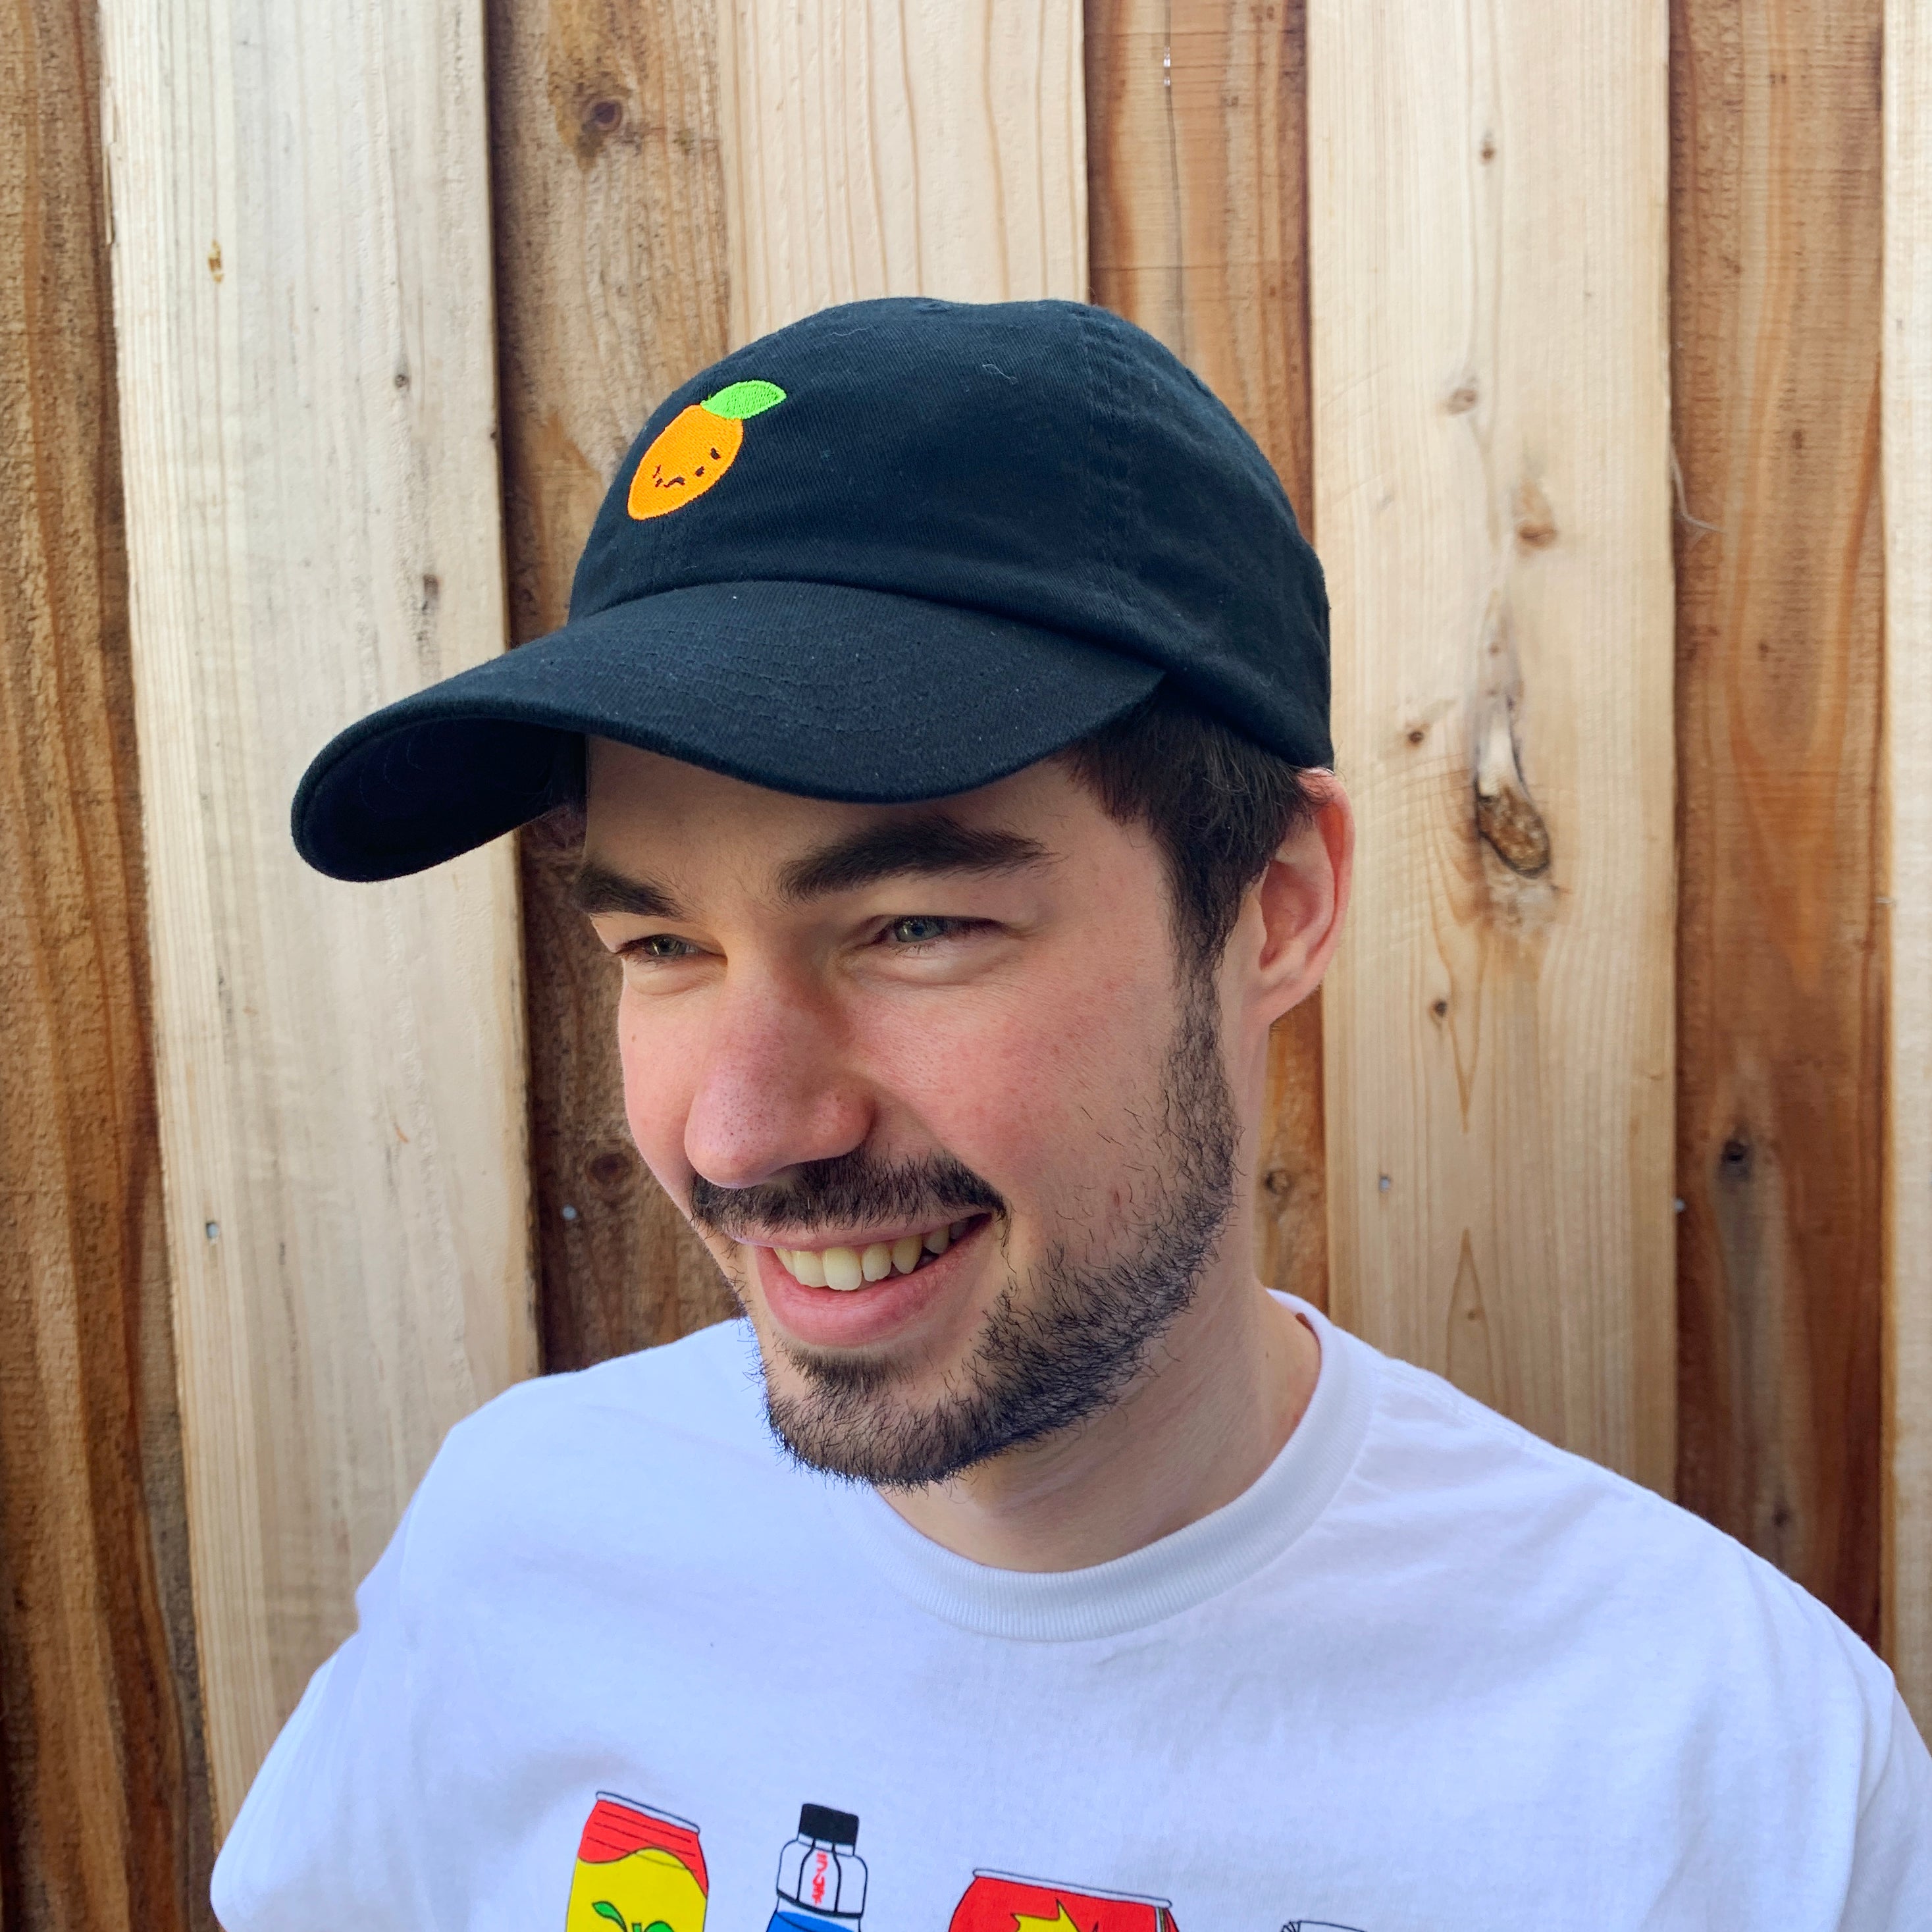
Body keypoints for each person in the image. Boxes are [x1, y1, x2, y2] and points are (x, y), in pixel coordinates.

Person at [213, 297, 1929, 1932]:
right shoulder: (524, 1545)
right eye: (663, 943)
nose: (740, 1133)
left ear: (1269, 904)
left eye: (913, 928)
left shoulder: (1722, 1772)